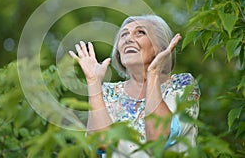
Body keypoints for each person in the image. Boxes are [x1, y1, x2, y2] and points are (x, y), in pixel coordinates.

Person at [69, 15, 200, 157]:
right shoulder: (108, 93)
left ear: (160, 48)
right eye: (124, 34)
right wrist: (93, 82)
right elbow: (102, 144)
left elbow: (158, 138)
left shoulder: (183, 84)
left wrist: (153, 74)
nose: (128, 39)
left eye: (140, 32)